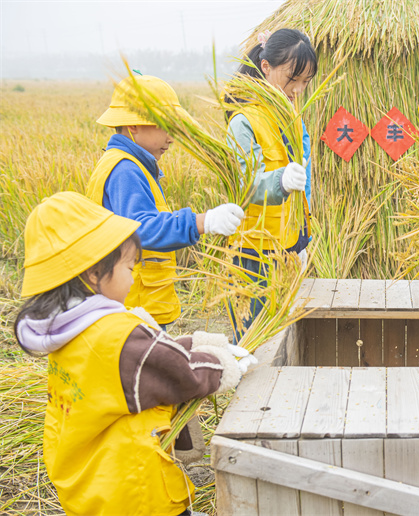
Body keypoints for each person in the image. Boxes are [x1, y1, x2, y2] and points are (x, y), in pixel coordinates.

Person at [14, 192, 256, 516]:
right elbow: (180, 373)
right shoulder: (118, 336)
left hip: (91, 489)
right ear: (93, 274)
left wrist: (197, 342)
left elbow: (145, 361)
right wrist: (224, 364)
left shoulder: (67, 333)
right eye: (129, 268)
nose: (132, 279)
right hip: (135, 494)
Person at [86, 74, 245, 326]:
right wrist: (203, 222)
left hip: (137, 304)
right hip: (132, 309)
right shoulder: (125, 170)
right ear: (134, 126)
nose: (171, 138)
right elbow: (141, 229)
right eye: (166, 127)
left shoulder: (130, 165)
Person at [224, 28, 317, 331]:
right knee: (255, 340)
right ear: (266, 67)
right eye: (293, 79)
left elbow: (305, 184)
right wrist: (280, 181)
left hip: (287, 248)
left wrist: (303, 239)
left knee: (284, 336)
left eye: (305, 82)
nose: (299, 90)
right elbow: (247, 184)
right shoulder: (243, 121)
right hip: (253, 253)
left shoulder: (292, 118)